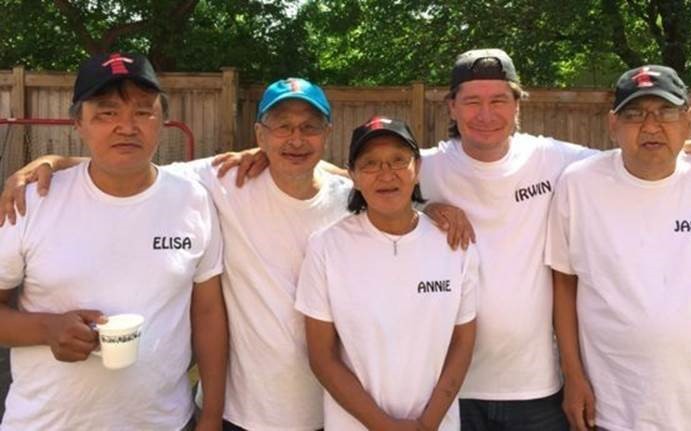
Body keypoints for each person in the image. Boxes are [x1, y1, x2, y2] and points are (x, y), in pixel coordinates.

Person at [0, 76, 472, 430]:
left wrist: (430, 207)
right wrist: (53, 162)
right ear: (259, 134)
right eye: (281, 127)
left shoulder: (347, 195)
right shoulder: (220, 181)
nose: (295, 139)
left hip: (339, 409)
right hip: (247, 412)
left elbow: (388, 188)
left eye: (309, 127)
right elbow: (133, 164)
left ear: (326, 134)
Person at [0, 52, 227, 430]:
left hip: (162, 422)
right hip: (45, 422)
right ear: (79, 124)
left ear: (163, 121)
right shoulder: (34, 200)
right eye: (106, 113)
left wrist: (212, 416)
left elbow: (208, 314)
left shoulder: (193, 199)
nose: (127, 127)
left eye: (142, 112)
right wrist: (45, 328)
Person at [546, 65, 691, 431]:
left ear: (689, 120)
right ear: (613, 124)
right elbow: (564, 283)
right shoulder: (578, 186)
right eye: (634, 114)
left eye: (666, 112)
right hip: (614, 415)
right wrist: (572, 376)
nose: (651, 125)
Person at [295, 116, 478, 431]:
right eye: (370, 164)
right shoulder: (327, 247)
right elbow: (322, 357)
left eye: (398, 160)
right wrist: (383, 426)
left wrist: (428, 423)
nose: (386, 174)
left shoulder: (454, 244)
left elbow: (463, 342)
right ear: (352, 175)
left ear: (417, 169)